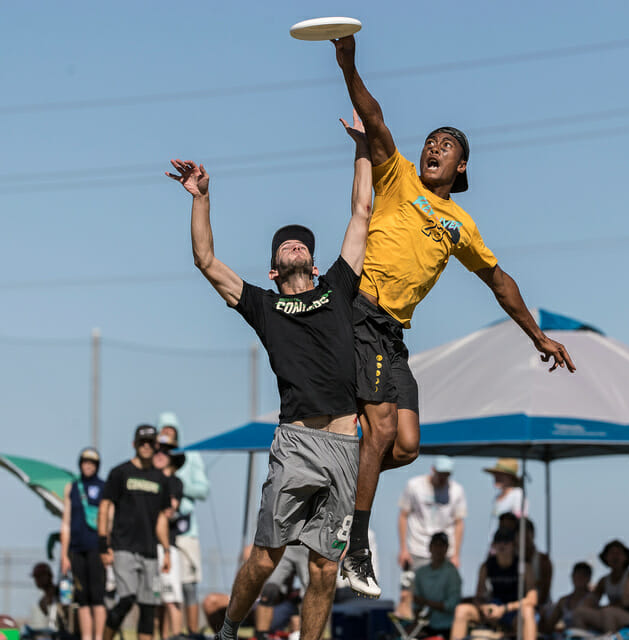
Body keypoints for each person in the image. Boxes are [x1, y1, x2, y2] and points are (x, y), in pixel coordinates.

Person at [331, 34, 576, 598]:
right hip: (361, 313)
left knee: (407, 444)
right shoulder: (399, 180)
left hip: (394, 334)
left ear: (461, 165)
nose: (433, 147)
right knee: (382, 428)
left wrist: (536, 335)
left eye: (446, 144)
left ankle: (337, 481)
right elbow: (376, 119)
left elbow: (499, 280)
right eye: (430, 141)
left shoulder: (460, 223)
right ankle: (357, 548)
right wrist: (348, 62)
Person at [166, 111, 372, 640]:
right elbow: (206, 260)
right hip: (298, 441)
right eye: (286, 244)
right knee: (266, 557)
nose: (296, 244)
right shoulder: (264, 305)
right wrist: (201, 197)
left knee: (325, 567)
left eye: (303, 242)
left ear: (316, 262)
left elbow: (361, 211)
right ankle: (229, 629)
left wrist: (364, 145)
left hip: (345, 445)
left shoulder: (338, 289)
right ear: (274, 269)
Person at [98, 424, 172, 640]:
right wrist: (104, 544)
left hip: (149, 551)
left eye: (150, 442)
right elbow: (104, 508)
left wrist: (166, 550)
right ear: (134, 444)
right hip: (123, 547)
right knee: (127, 599)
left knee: (148, 607)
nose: (146, 446)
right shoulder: (120, 473)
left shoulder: (161, 479)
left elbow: (160, 518)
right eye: (142, 442)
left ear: (156, 445)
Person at [157, 412, 210, 637]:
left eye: (172, 430)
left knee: (188, 587)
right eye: (164, 430)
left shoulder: (190, 456)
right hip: (159, 534)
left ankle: (191, 633)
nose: (168, 434)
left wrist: (175, 484)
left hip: (185, 531)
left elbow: (203, 490)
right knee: (163, 592)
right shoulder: (155, 458)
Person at [396, 456, 466, 618]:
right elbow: (403, 515)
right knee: (407, 595)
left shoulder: (456, 491)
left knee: (444, 597)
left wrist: (456, 554)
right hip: (416, 550)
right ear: (433, 470)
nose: (443, 478)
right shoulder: (414, 485)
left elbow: (459, 522)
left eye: (447, 474)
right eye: (441, 473)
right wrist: (403, 549)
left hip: (444, 551)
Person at [451, 528, 537, 640]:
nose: (502, 545)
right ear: (493, 545)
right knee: (461, 610)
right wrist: (484, 608)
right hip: (493, 609)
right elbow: (478, 597)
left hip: (513, 611)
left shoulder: (524, 566)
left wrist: (505, 608)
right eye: (498, 542)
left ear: (513, 545)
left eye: (506, 542)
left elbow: (532, 599)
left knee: (528, 611)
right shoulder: (486, 566)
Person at [60, 447, 106, 640]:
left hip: (96, 548)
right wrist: (64, 555)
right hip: (76, 549)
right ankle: (86, 637)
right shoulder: (72, 488)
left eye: (92, 463)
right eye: (85, 462)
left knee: (97, 596)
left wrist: (108, 547)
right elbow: (66, 523)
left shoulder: (104, 487)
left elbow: (108, 520)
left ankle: (98, 636)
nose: (88, 466)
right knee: (81, 597)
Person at [152, 433, 185, 640]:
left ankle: (176, 635)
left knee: (172, 598)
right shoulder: (150, 479)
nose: (160, 455)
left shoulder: (174, 482)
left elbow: (170, 509)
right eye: (157, 451)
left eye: (165, 451)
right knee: (156, 601)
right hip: (148, 546)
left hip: (167, 547)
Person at [572, 539, 629, 632]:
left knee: (609, 612)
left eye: (618, 553)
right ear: (606, 557)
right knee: (579, 613)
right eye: (611, 553)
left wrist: (604, 608)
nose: (615, 557)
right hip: (608, 617)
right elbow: (592, 600)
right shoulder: (604, 580)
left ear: (625, 557)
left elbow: (625, 603)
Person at [412, 532, 462, 639]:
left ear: (447, 548)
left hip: (448, 628)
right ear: (430, 547)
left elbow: (452, 605)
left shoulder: (452, 572)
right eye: (436, 545)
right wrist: (415, 626)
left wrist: (426, 602)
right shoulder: (421, 572)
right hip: (426, 627)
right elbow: (416, 604)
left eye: (442, 545)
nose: (438, 549)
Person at [541, 562, 594, 635]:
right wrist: (542, 617)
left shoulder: (592, 599)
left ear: (589, 578)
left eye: (583, 575)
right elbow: (549, 626)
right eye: (577, 574)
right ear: (572, 576)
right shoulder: (563, 601)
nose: (579, 578)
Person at [484, 460, 528, 530]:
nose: (496, 477)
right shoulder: (497, 497)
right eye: (496, 474)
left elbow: (520, 525)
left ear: (511, 477)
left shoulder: (517, 495)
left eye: (501, 474)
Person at [518, 519, 552, 605]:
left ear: (532, 534)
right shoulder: (512, 560)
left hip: (540, 605)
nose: (523, 541)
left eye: (526, 536)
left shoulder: (543, 560)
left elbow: (545, 589)